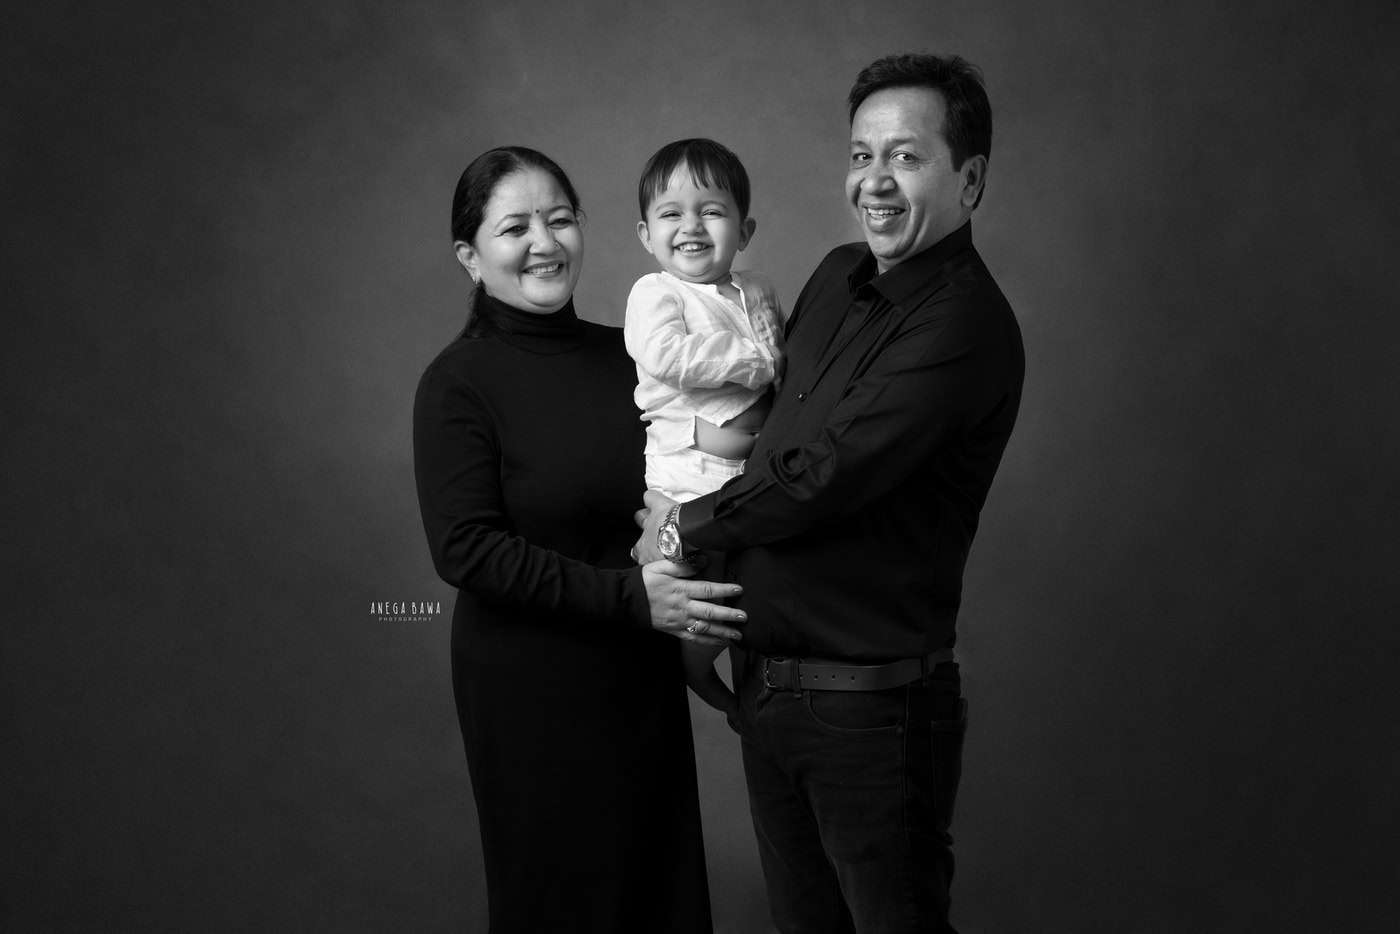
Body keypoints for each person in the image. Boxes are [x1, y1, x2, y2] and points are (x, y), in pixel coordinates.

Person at [634, 54, 1025, 933]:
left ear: (971, 178)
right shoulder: (836, 277)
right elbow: (766, 435)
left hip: (869, 713)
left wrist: (679, 530)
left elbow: (823, 477)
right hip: (770, 692)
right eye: (859, 155)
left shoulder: (963, 323)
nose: (873, 183)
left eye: (905, 158)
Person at [413, 145, 747, 934]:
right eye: (515, 227)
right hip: (530, 690)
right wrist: (632, 596)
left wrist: (680, 537)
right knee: (565, 905)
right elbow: (466, 549)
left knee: (655, 898)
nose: (544, 242)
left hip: (636, 673)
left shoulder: (627, 356)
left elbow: (690, 471)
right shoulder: (458, 382)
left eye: (560, 219)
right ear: (470, 255)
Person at [624, 138, 786, 720]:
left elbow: (785, 361)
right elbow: (669, 356)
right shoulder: (656, 293)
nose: (691, 225)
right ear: (646, 235)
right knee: (695, 597)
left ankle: (754, 697)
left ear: (743, 230)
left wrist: (772, 366)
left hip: (748, 478)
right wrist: (756, 362)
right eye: (671, 213)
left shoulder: (758, 288)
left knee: (744, 602)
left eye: (712, 211)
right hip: (687, 477)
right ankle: (721, 699)